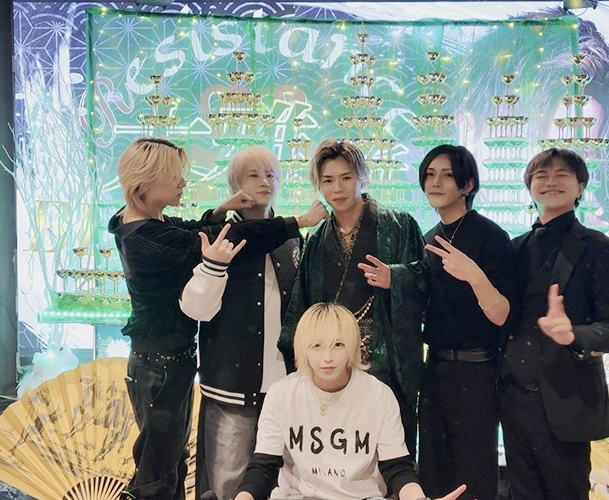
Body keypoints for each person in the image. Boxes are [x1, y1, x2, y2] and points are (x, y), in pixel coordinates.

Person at [108, 137, 327, 500]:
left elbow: (192, 231)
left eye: (271, 174)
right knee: (163, 471)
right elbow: (213, 241)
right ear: (146, 181)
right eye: (175, 176)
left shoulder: (136, 220)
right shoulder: (146, 235)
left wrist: (219, 212)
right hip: (171, 369)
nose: (183, 183)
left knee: (170, 462)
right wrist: (297, 222)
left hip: (174, 363)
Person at [179, 146, 317, 500]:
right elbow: (197, 306)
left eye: (271, 174)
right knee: (228, 479)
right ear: (235, 185)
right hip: (231, 380)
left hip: (284, 381)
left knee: (284, 479)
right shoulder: (221, 234)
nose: (264, 182)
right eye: (253, 175)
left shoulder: (291, 237)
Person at [498, 148, 609, 500]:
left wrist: (574, 334)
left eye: (562, 174)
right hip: (514, 398)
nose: (550, 181)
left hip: (567, 399)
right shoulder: (514, 248)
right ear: (530, 186)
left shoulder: (601, 248)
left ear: (580, 186)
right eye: (541, 175)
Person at [278, 140, 427, 456]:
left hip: (385, 361)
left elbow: (427, 281)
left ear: (362, 177)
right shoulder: (316, 239)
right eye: (328, 180)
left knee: (388, 453)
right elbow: (303, 305)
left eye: (346, 178)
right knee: (336, 452)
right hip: (332, 364)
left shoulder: (400, 226)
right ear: (318, 185)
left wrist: (396, 277)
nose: (337, 188)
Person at [234, 302, 467, 500]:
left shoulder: (378, 395)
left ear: (354, 345)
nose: (327, 357)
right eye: (317, 346)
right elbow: (263, 466)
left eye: (338, 345)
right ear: (303, 349)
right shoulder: (282, 394)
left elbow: (396, 467)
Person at [417, 145, 516, 500]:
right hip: (435, 371)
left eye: (447, 175)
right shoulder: (427, 239)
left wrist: (474, 275)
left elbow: (503, 314)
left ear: (468, 185)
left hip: (478, 373)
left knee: (474, 474)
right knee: (433, 469)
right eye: (430, 175)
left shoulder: (491, 236)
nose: (435, 182)